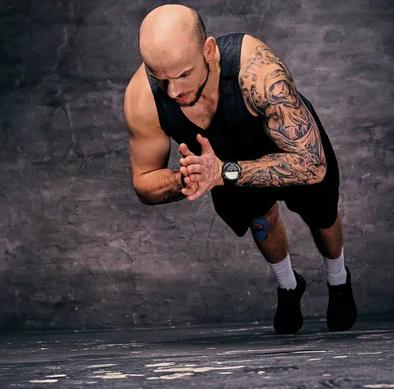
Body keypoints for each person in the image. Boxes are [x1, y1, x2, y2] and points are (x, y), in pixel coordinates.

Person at [123, 4, 357, 334]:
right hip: (217, 160)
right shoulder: (141, 98)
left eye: (184, 75)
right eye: (160, 79)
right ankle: (289, 286)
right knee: (260, 219)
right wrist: (186, 179)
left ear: (208, 50)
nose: (173, 91)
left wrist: (224, 173)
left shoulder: (258, 72)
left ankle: (338, 280)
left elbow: (312, 165)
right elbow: (144, 182)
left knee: (322, 214)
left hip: (286, 147)